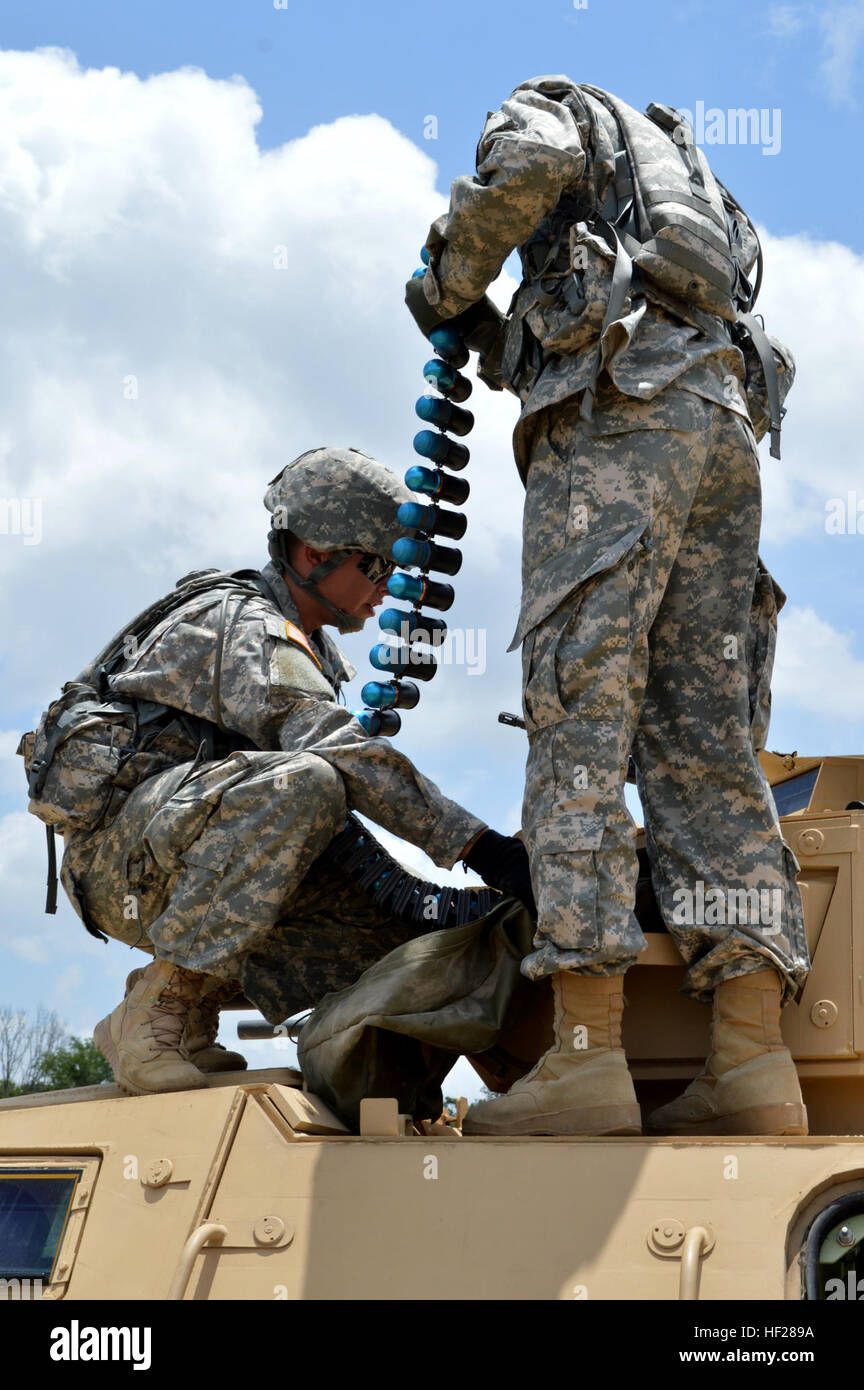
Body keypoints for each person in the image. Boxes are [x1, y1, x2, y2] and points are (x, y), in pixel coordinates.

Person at [405, 76, 810, 1137]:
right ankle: (754, 1059)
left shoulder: (545, 106)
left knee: (578, 714)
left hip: (622, 419)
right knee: (705, 745)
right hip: (720, 426)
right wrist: (499, 339)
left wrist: (451, 274)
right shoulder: (676, 162)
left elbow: (522, 172)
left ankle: (585, 1059)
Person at [20, 447, 533, 1096]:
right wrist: (478, 846)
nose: (386, 591)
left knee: (401, 931)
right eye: (378, 568)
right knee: (309, 784)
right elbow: (335, 753)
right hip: (118, 862)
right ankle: (156, 1011)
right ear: (315, 554)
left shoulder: (312, 646)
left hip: (175, 849)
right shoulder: (243, 626)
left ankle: (189, 1021)